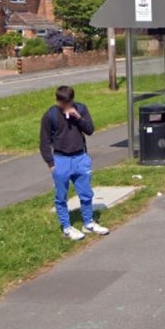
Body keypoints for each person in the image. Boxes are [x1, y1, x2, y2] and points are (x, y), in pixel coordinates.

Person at [39, 85, 108, 241]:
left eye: (68, 103)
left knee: (86, 193)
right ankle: (66, 227)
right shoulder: (50, 115)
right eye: (62, 103)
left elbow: (90, 130)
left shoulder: (81, 109)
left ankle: (88, 223)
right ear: (57, 100)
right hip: (61, 159)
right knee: (61, 196)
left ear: (72, 100)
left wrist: (78, 117)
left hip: (80, 157)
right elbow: (44, 142)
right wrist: (51, 164)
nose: (66, 106)